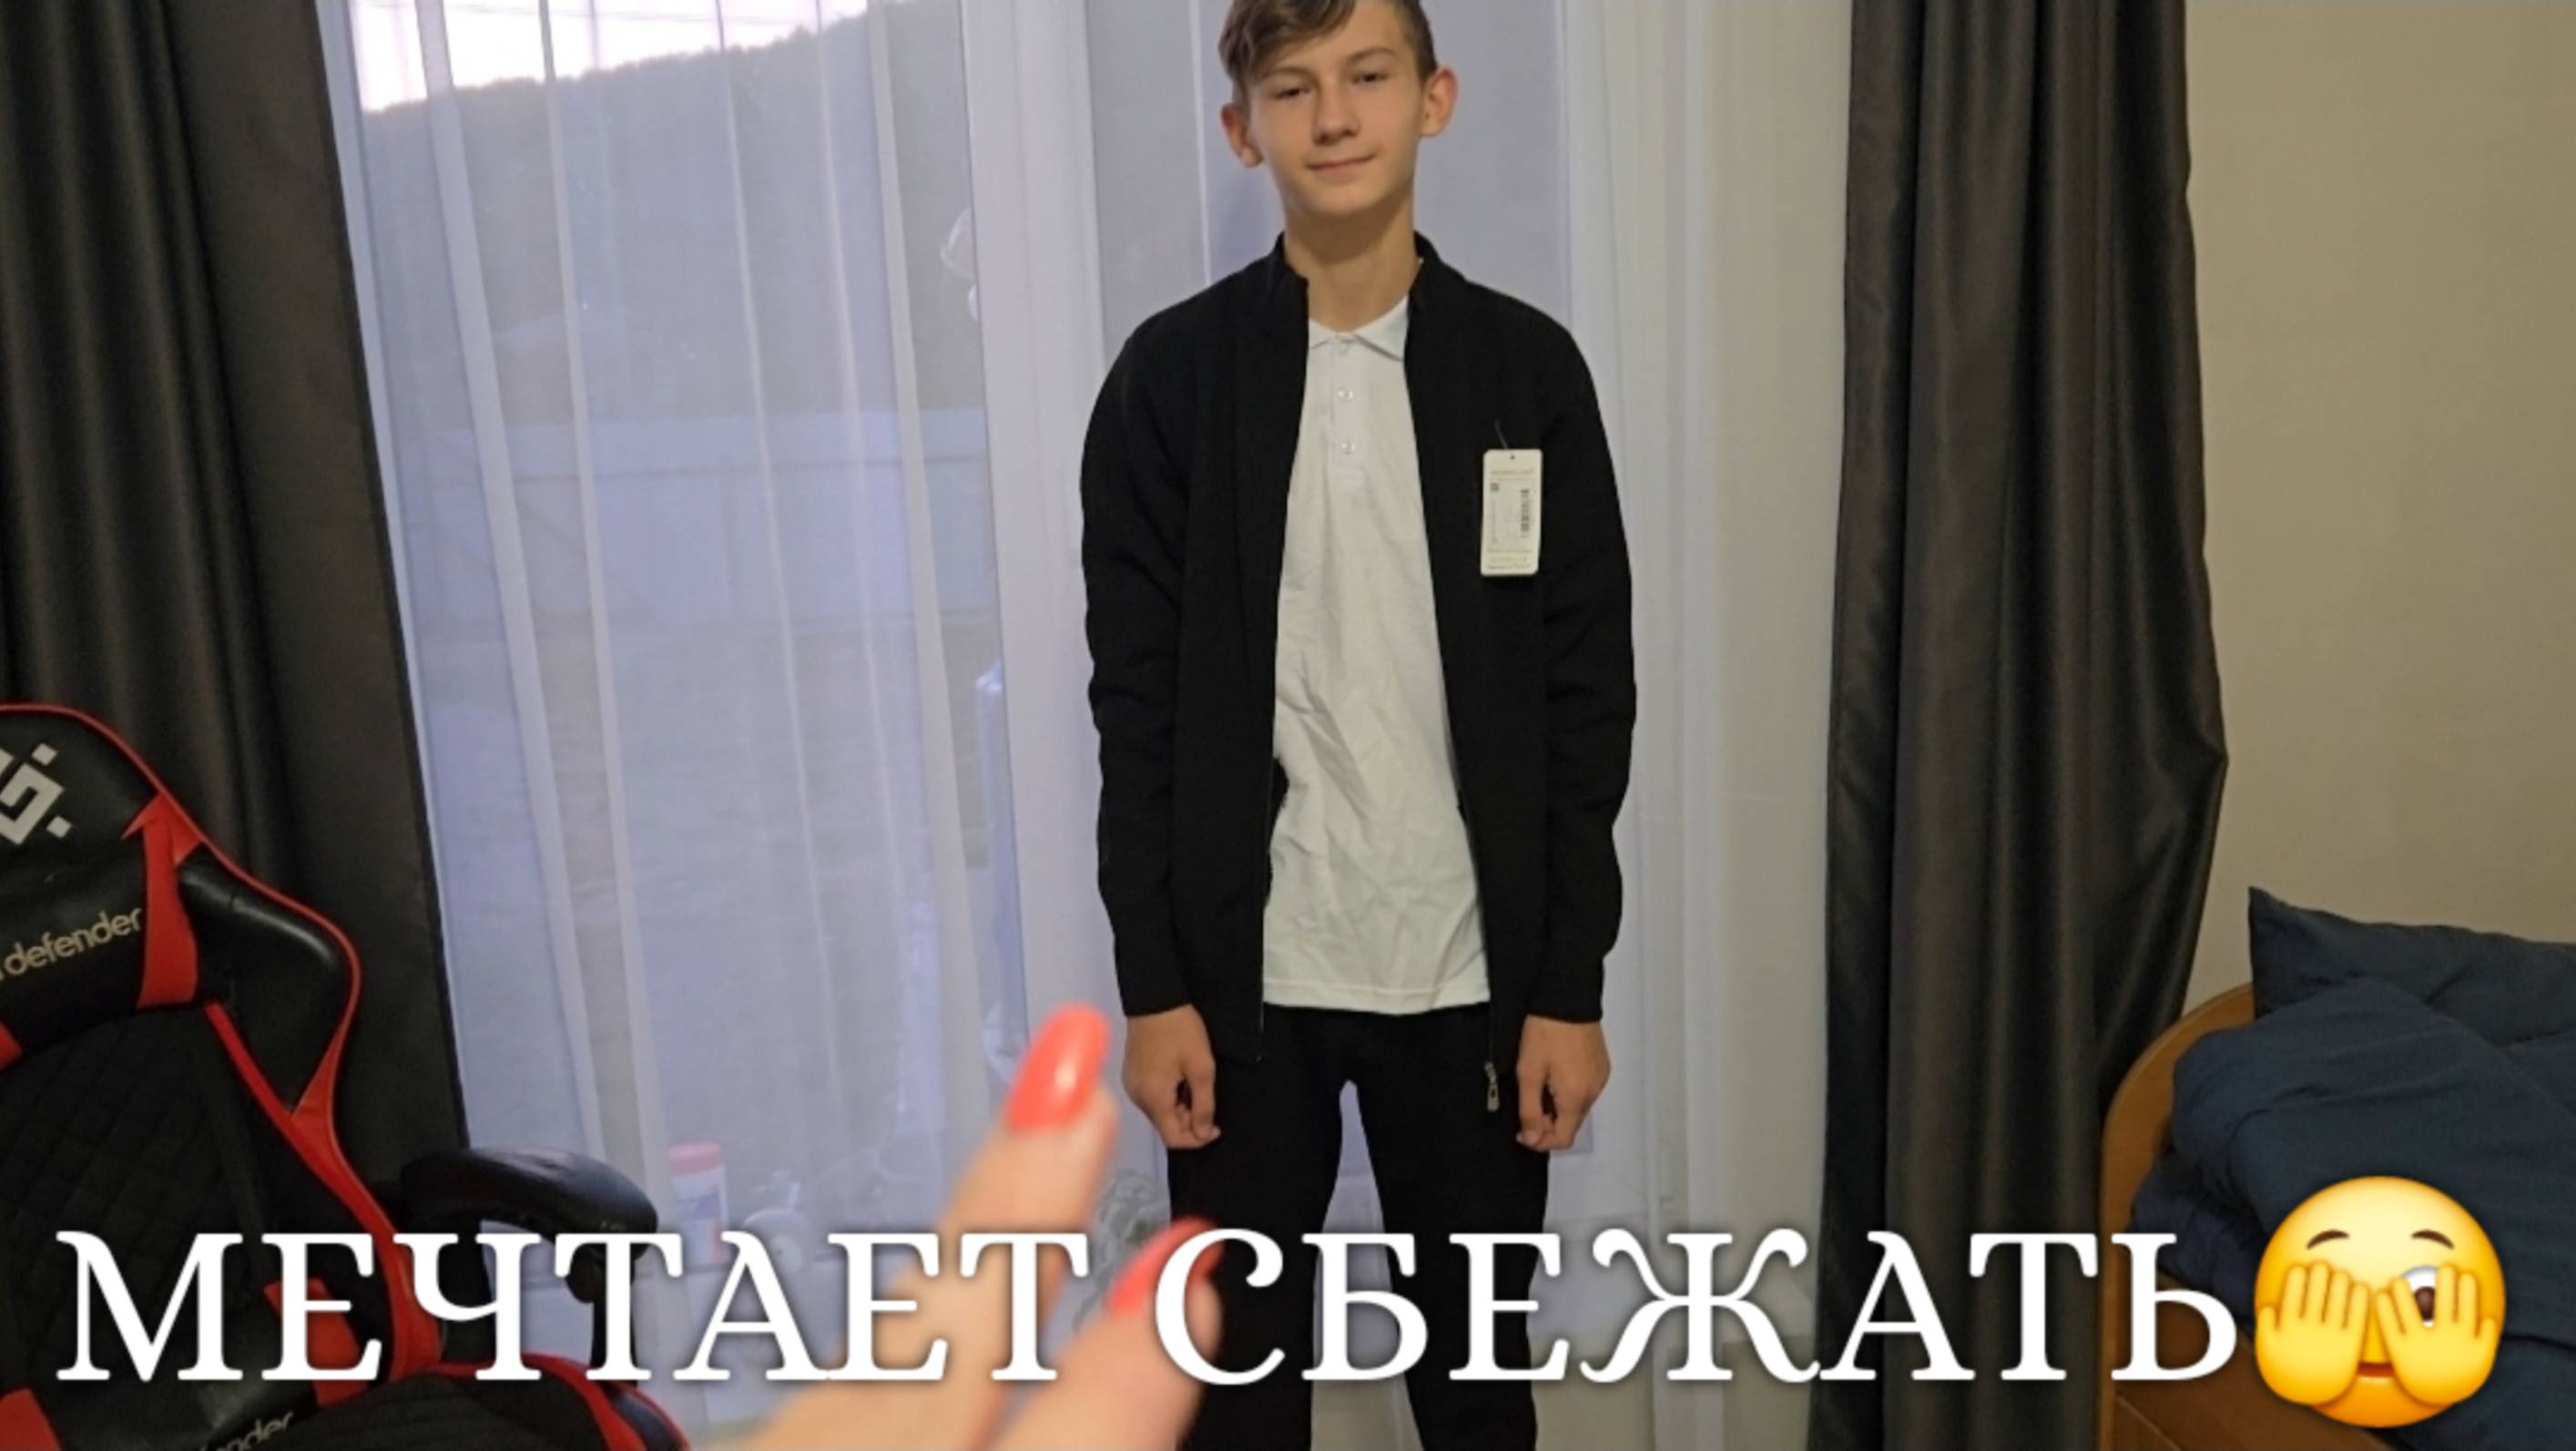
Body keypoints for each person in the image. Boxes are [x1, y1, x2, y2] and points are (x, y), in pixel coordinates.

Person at [1076, 1, 1637, 1446]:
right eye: (1292, 88)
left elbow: (1586, 698)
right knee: (1235, 1396)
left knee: (1473, 1391)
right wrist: (1153, 985)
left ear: (1432, 98)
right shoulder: (1168, 384)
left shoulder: (1525, 374)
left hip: (1470, 966)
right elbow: (1133, 711)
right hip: (1244, 981)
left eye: (1367, 76)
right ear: (1241, 129)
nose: (1332, 117)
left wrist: (1567, 984)